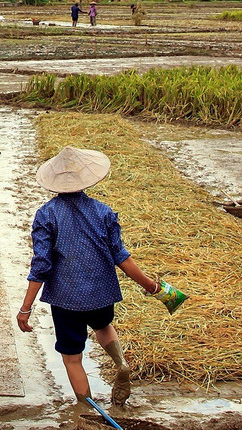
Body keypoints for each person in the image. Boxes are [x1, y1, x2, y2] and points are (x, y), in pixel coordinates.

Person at [16, 146, 167, 407]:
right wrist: (153, 287)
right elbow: (122, 257)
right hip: (101, 292)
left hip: (66, 299)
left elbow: (41, 264)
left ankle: (86, 409)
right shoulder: (103, 212)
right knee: (103, 326)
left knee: (72, 357)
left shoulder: (46, 215)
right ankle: (121, 364)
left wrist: (25, 308)